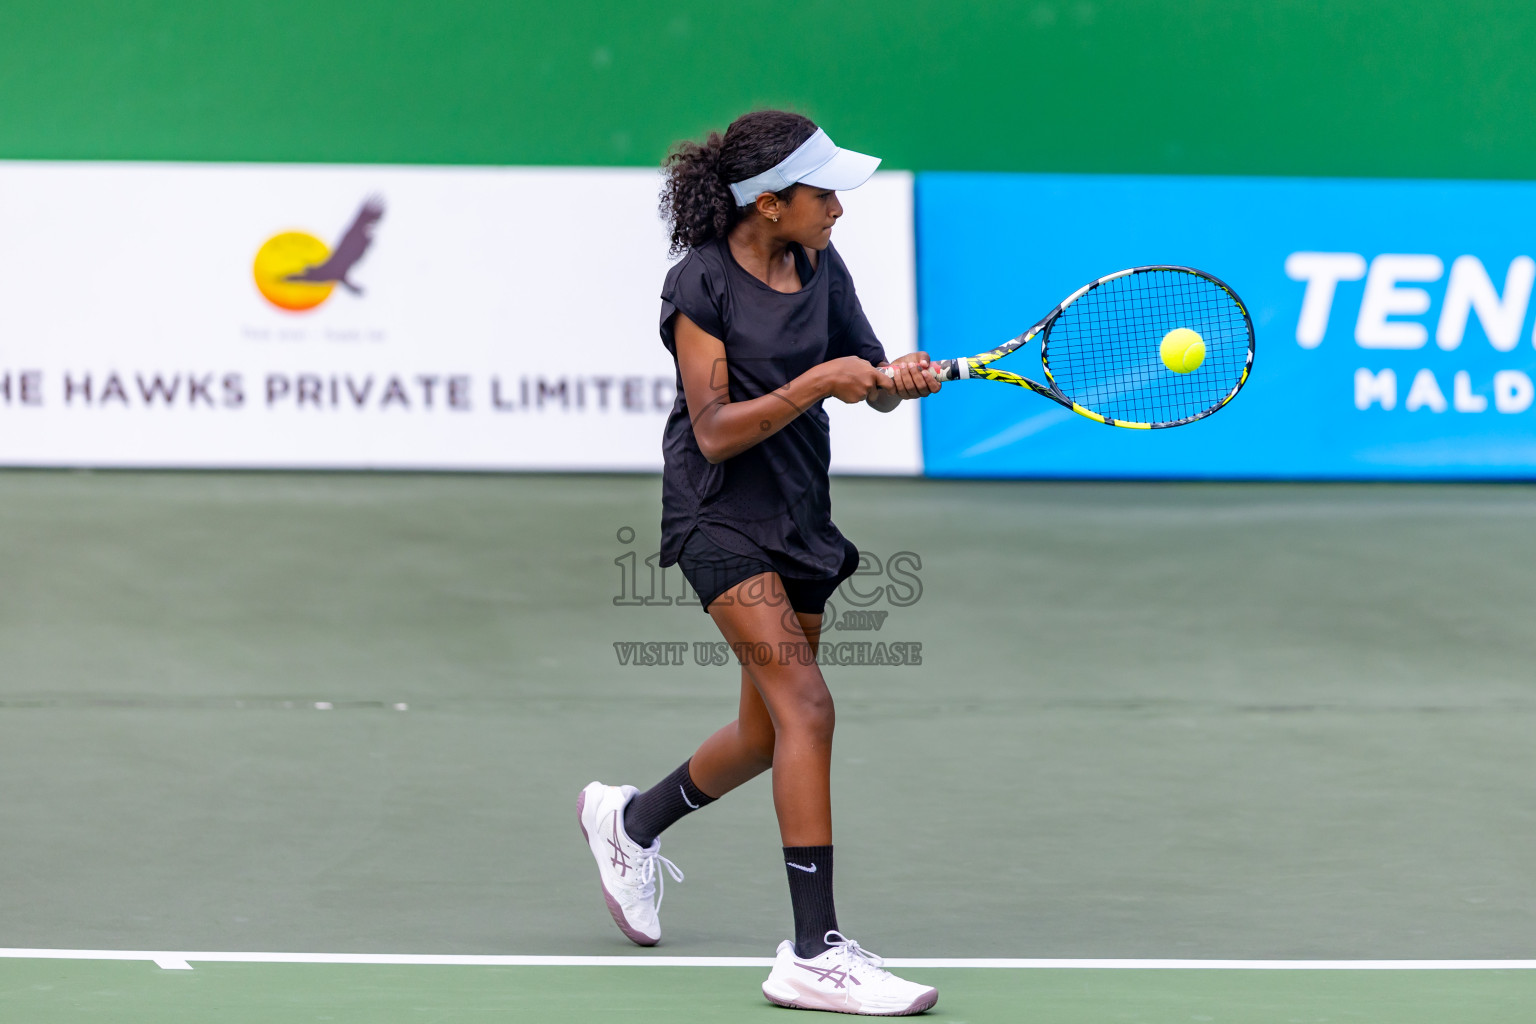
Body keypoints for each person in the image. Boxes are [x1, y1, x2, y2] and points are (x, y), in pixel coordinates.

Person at [578, 110, 940, 1016]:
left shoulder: (822, 266)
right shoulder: (698, 284)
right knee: (807, 705)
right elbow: (715, 429)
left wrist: (895, 380)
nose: (838, 212)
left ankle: (630, 824)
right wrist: (816, 383)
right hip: (715, 512)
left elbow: (869, 381)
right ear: (769, 202)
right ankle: (815, 952)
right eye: (825, 196)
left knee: (766, 731)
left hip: (798, 511)